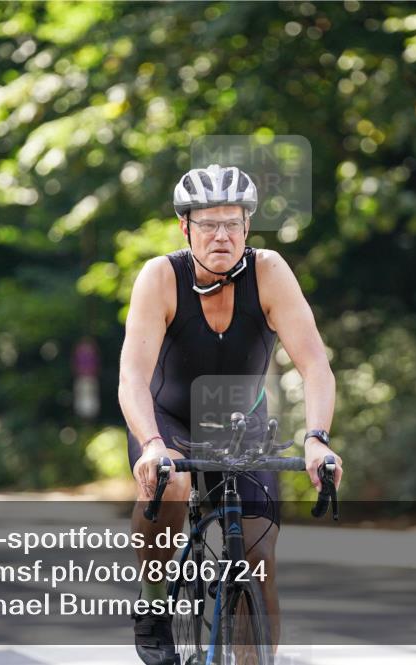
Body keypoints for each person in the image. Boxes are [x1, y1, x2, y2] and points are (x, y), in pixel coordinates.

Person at [119, 163, 342, 665]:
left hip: (243, 425)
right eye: (208, 224)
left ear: (247, 228)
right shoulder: (160, 277)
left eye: (233, 224)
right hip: (169, 420)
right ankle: (155, 606)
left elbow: (316, 367)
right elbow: (132, 377)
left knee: (259, 561)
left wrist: (317, 438)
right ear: (185, 227)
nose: (221, 235)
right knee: (171, 485)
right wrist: (152, 445)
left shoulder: (269, 272)